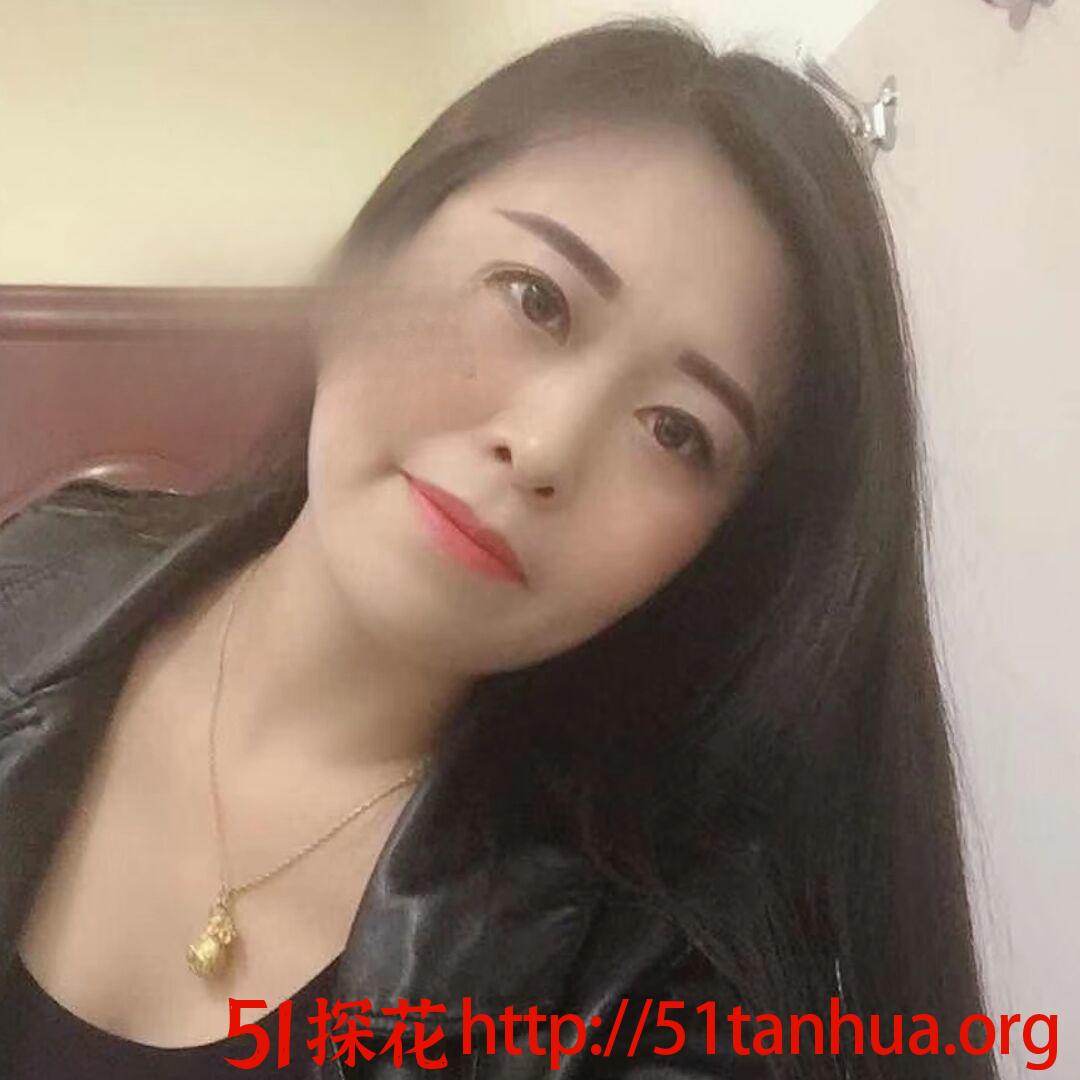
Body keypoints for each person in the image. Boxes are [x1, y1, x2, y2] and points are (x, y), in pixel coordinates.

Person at [0, 16, 998, 1080]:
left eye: (677, 432)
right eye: (536, 299)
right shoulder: (37, 574)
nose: (546, 448)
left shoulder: (655, 989)